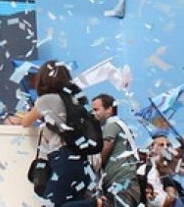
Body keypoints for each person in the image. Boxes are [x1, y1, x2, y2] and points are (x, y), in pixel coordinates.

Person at [15, 60, 102, 207]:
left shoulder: (46, 100)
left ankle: (97, 204)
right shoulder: (75, 100)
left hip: (63, 159)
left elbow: (26, 121)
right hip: (81, 162)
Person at [91, 93, 141, 206]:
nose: (93, 114)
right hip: (125, 183)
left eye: (96, 109)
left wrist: (93, 165)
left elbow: (105, 149)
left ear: (109, 109)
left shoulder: (111, 125)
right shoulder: (121, 125)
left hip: (122, 183)